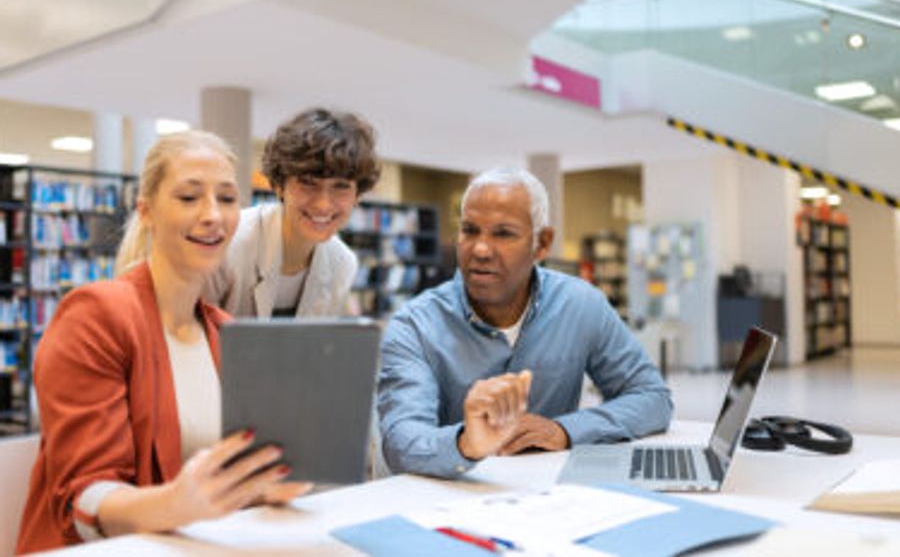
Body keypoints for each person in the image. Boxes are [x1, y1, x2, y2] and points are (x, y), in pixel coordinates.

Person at [17, 131, 310, 553]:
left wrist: (263, 487)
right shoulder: (94, 316)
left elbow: (223, 477)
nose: (212, 215)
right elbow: (83, 499)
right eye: (189, 197)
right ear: (147, 211)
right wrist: (175, 504)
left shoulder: (228, 333)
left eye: (227, 199)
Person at [378, 167, 673, 478]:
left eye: (503, 233)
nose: (480, 249)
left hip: (555, 502)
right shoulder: (414, 326)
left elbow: (652, 398)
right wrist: (466, 443)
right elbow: (401, 441)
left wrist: (565, 430)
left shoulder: (581, 304)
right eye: (470, 230)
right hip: (450, 498)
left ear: (542, 243)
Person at [204, 108, 381, 317]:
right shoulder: (228, 243)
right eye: (307, 183)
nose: (323, 205)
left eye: (341, 186)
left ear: (357, 195)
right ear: (279, 185)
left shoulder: (342, 263)